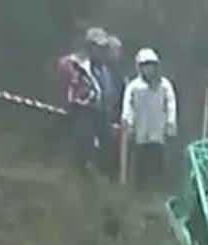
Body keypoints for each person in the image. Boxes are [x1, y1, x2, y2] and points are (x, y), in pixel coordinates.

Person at [57, 27, 117, 175]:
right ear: (90, 47)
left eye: (104, 48)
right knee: (83, 143)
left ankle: (101, 174)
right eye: (98, 47)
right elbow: (66, 80)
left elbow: (107, 91)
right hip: (81, 109)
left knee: (107, 143)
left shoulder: (104, 69)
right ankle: (78, 173)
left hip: (100, 111)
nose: (102, 52)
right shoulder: (76, 63)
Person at [121, 48, 178, 192]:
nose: (149, 69)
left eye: (152, 65)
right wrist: (128, 122)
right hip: (140, 133)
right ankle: (141, 195)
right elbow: (128, 105)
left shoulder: (164, 85)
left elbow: (171, 104)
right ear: (139, 67)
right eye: (146, 65)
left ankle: (160, 192)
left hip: (158, 133)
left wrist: (171, 123)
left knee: (159, 164)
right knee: (140, 167)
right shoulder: (133, 87)